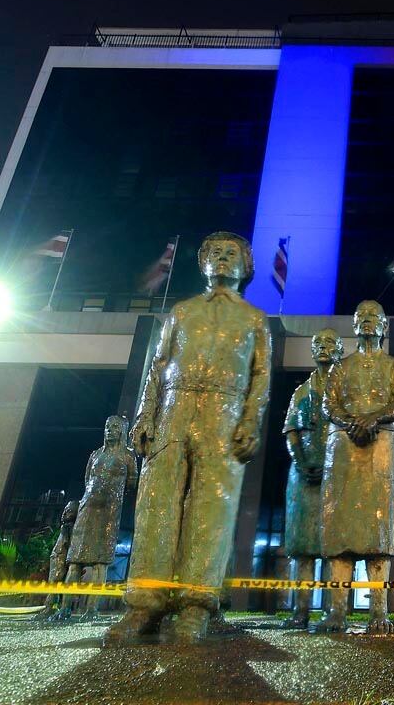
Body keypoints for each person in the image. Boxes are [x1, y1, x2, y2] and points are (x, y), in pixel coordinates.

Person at [104, 232, 271, 646]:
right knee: (156, 504)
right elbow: (158, 366)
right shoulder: (181, 312)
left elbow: (261, 376)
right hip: (174, 409)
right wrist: (145, 415)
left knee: (212, 509)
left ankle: (197, 606)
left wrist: (250, 420)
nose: (223, 258)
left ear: (245, 267)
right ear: (203, 263)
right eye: (215, 252)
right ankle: (145, 602)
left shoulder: (254, 319)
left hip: (225, 413)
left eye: (232, 254)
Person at [318, 300, 394, 634]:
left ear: (385, 326)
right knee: (340, 527)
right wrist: (352, 422)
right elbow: (329, 404)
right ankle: (337, 611)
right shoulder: (340, 367)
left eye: (374, 318)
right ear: (354, 326)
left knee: (378, 529)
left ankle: (379, 614)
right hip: (343, 446)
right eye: (361, 318)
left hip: (382, 444)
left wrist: (372, 418)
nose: (368, 322)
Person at [280, 328, 343, 628]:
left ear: (340, 350)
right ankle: (300, 611)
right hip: (303, 476)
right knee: (302, 548)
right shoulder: (300, 392)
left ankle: (333, 611)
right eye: (317, 343)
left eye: (330, 343)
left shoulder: (345, 391)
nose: (323, 348)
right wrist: (301, 462)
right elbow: (291, 431)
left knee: (333, 548)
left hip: (336, 476)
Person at [61, 415, 137, 618]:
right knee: (75, 561)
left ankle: (91, 609)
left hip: (109, 513)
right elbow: (88, 479)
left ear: (122, 431)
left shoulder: (128, 457)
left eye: (114, 427)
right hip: (87, 510)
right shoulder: (95, 455)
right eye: (107, 427)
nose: (110, 430)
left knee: (100, 563)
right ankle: (64, 608)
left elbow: (131, 482)